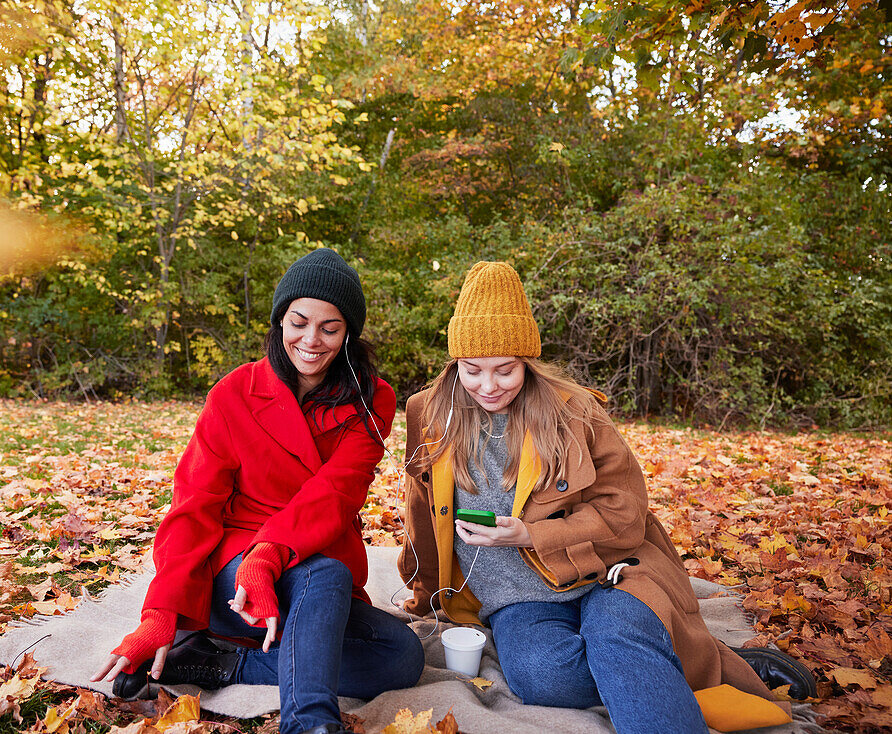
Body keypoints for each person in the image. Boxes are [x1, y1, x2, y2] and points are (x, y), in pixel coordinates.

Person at [398, 262, 815, 734]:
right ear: (455, 364)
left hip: (609, 571)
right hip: (518, 598)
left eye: (505, 371)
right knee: (544, 679)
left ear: (528, 362)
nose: (488, 387)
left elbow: (626, 510)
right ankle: (678, 662)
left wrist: (533, 533)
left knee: (615, 637)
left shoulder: (575, 411)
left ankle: (665, 658)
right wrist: (425, 594)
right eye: (472, 371)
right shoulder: (428, 412)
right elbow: (421, 511)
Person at [91, 248, 424, 734]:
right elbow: (193, 505)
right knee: (325, 575)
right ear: (278, 322)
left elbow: (338, 491)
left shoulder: (373, 398)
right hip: (233, 574)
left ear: (348, 333)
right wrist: (161, 611)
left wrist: (271, 552)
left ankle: (215, 664)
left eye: (330, 328)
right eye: (299, 322)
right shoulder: (233, 394)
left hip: (306, 550)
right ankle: (308, 723)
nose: (311, 340)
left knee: (399, 658)